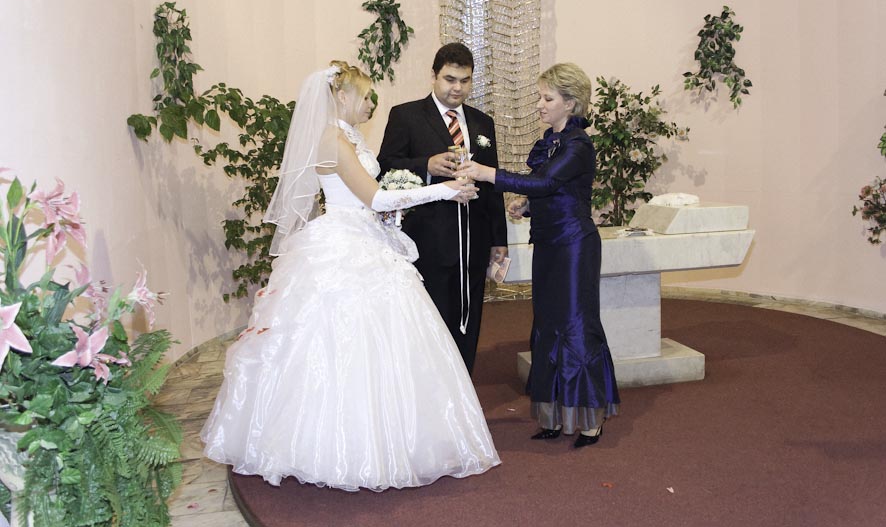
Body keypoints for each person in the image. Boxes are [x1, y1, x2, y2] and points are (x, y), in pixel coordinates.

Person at [201, 61, 501, 490]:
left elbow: (374, 198)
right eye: (365, 96)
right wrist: (444, 190)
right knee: (340, 345)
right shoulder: (332, 140)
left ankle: (397, 437)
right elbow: (375, 197)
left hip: (367, 237)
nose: (371, 104)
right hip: (343, 244)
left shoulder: (350, 135)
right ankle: (334, 448)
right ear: (341, 96)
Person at [457, 63, 620, 448]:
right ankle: (554, 414)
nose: (539, 105)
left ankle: (589, 418)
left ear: (571, 103)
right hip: (548, 244)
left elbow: (546, 181)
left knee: (576, 326)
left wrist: (485, 172)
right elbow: (554, 191)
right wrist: (527, 206)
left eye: (548, 98)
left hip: (575, 247)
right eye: (540, 97)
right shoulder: (552, 141)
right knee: (547, 326)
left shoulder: (579, 145)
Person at [378, 43, 508, 374]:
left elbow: (492, 184)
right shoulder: (406, 116)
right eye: (450, 79)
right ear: (434, 75)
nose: (457, 88)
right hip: (428, 240)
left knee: (470, 318)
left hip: (474, 240)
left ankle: (463, 384)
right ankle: (430, 387)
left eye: (465, 80)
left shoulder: (482, 122)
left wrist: (499, 239)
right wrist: (426, 165)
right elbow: (385, 168)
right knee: (431, 320)